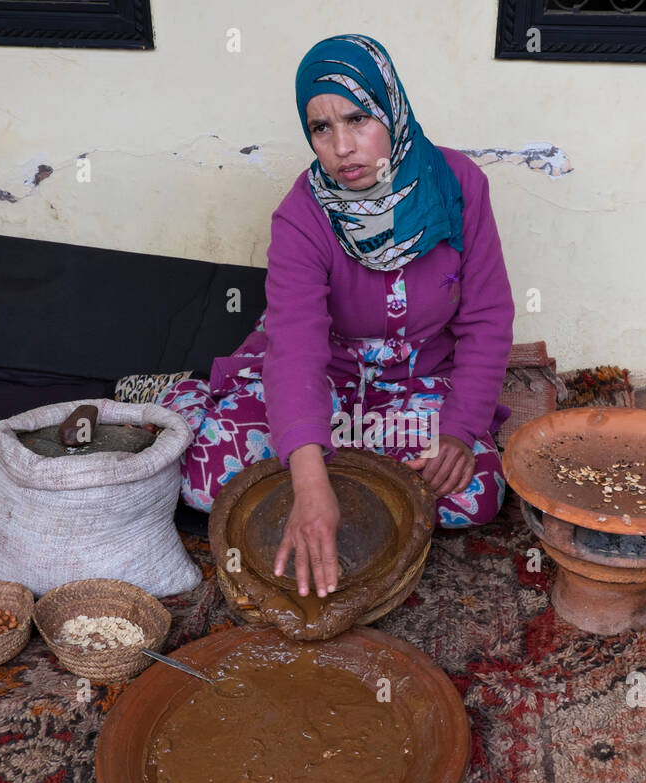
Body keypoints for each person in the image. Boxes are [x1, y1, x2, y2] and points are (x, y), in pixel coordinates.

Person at [162, 33, 514, 602]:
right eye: (321, 128)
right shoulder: (301, 216)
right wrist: (307, 476)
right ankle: (312, 458)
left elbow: (487, 319)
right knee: (204, 481)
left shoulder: (459, 187)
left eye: (358, 118)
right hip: (326, 378)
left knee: (475, 493)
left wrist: (457, 430)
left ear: (392, 110)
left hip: (416, 383)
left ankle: (340, 466)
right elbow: (295, 347)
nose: (343, 147)